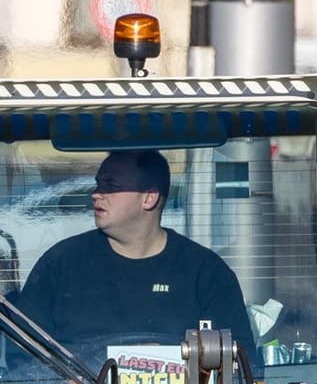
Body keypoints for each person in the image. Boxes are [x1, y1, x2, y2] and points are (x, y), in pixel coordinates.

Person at [13, 148, 258, 372]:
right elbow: (21, 360)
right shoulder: (59, 266)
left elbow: (245, 369)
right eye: (98, 184)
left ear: (149, 198)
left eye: (110, 186)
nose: (96, 194)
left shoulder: (207, 273)